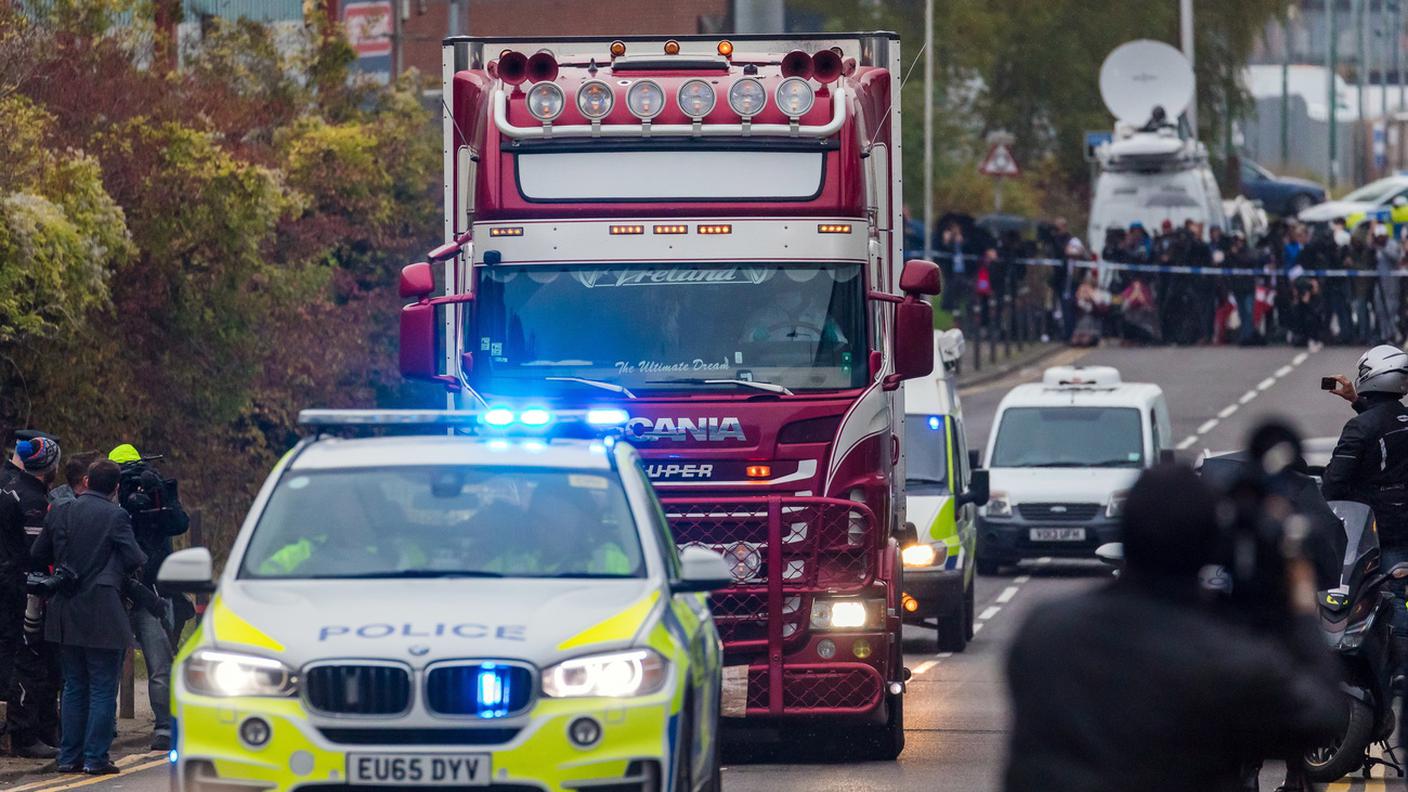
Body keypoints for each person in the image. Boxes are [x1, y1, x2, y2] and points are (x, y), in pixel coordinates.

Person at [1003, 465, 1342, 792]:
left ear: (1124, 534)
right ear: (1211, 545)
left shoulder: (1045, 631)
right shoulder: (1224, 658)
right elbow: (1320, 716)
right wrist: (1297, 603)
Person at [32, 459, 146, 775]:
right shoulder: (116, 516)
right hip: (102, 612)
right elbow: (134, 557)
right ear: (116, 488)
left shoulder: (61, 510)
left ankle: (68, 756)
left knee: (73, 686)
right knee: (101, 687)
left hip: (65, 610)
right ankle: (95, 758)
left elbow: (39, 554)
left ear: (85, 480)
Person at [1323, 344, 1408, 672]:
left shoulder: (1360, 429)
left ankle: (1397, 670)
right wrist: (1355, 400)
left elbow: (1334, 483)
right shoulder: (1400, 419)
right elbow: (1384, 426)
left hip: (1374, 530)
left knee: (1385, 596)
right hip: (1402, 525)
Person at [108, 443, 187, 752]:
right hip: (119, 587)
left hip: (150, 589)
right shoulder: (109, 496)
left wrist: (161, 497)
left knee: (159, 661)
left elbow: (180, 524)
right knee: (113, 663)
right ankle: (108, 724)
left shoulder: (156, 491)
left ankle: (165, 726)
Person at [0, 435, 62, 757]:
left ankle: (40, 728)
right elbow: (37, 552)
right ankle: (25, 733)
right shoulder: (32, 500)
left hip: (10, 583)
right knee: (30, 660)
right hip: (25, 588)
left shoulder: (9, 488)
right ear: (48, 466)